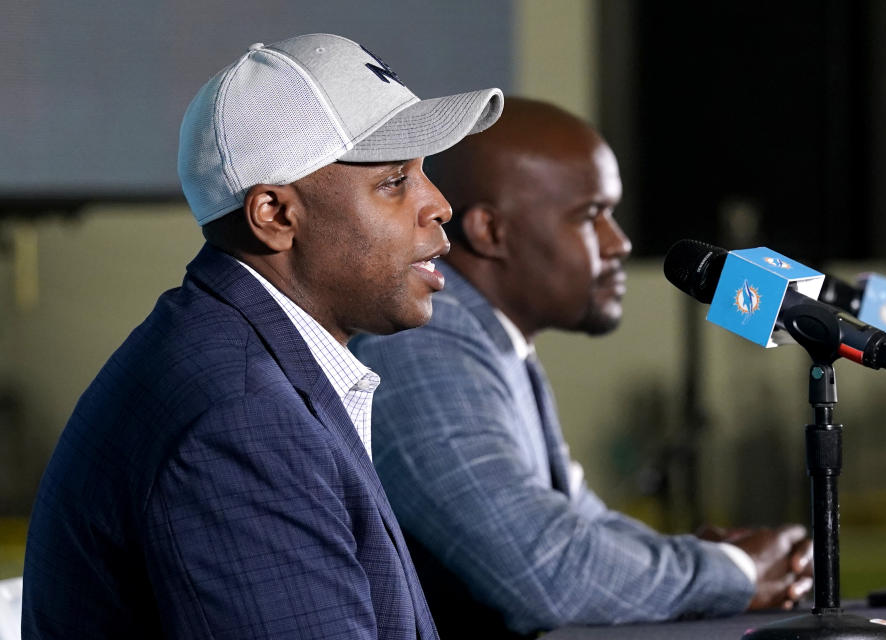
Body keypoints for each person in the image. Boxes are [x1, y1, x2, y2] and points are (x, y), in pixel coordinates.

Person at [21, 33, 502, 639]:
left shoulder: (237, 357)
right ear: (274, 215)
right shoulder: (239, 421)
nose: (439, 205)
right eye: (393, 181)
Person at [350, 97, 813, 638]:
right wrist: (737, 572)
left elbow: (581, 525)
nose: (620, 244)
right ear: (490, 232)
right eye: (591, 217)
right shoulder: (424, 344)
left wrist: (703, 561)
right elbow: (553, 572)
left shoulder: (493, 342)